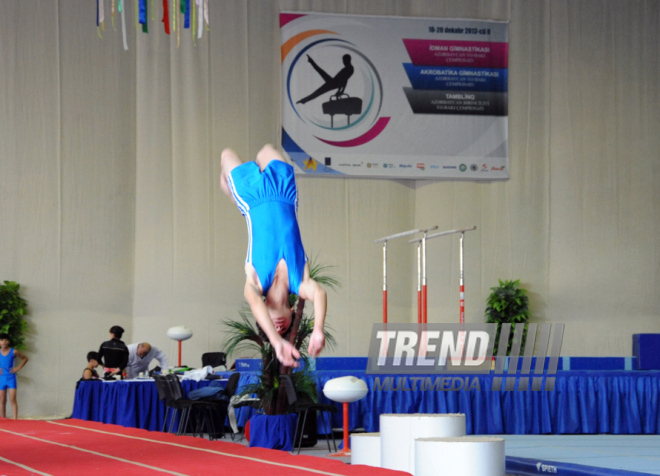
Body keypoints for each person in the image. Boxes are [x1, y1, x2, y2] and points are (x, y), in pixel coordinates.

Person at [220, 144, 328, 367]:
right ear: (291, 312)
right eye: (284, 328)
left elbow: (255, 305)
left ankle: (230, 192)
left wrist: (277, 341)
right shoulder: (301, 283)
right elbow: (319, 293)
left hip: (251, 197)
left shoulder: (256, 283)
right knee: (266, 149)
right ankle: (231, 186)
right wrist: (318, 329)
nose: (279, 327)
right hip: (284, 193)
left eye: (274, 326)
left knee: (227, 154)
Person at [0, 333, 29, 419]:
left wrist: (18, 368)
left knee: (12, 399)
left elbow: (25, 358)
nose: (4, 342)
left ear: (8, 341)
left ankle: (15, 419)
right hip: (1, 378)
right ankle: (3, 418)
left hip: (11, 378)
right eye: (2, 340)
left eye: (6, 340)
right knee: (2, 399)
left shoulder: (13, 351)